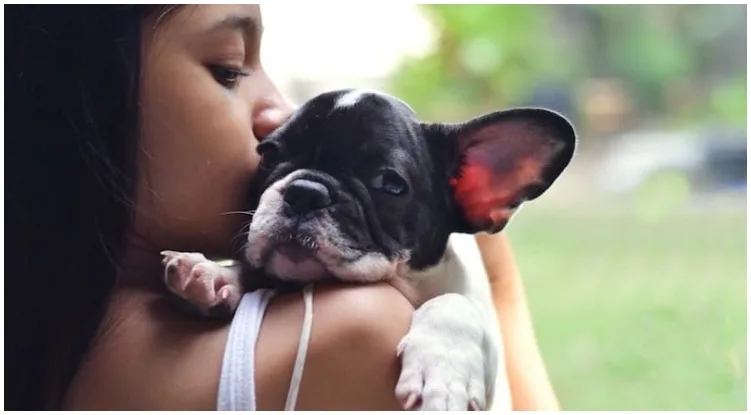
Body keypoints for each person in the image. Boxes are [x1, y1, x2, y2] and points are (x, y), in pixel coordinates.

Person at [6, 4, 560, 411]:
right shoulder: (358, 333)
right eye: (229, 67)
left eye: (385, 183)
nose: (276, 110)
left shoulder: (38, 327)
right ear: (82, 88)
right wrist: (495, 299)